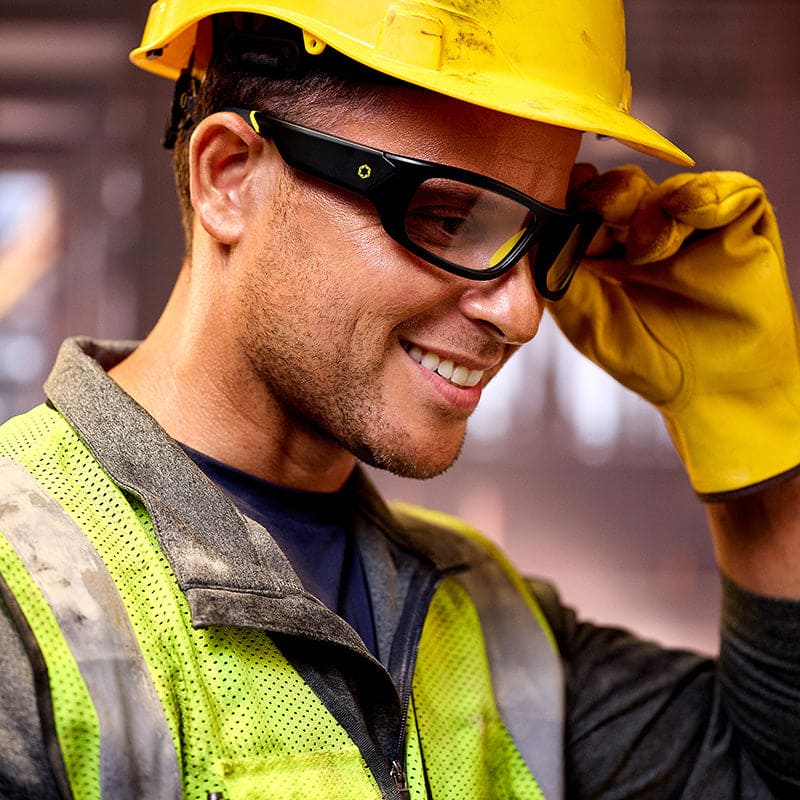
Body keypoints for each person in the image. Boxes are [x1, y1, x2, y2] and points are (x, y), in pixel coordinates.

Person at [0, 1, 798, 798]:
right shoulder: (23, 596)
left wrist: (756, 454)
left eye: (548, 239)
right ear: (230, 177)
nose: (521, 315)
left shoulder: (493, 624)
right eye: (450, 219)